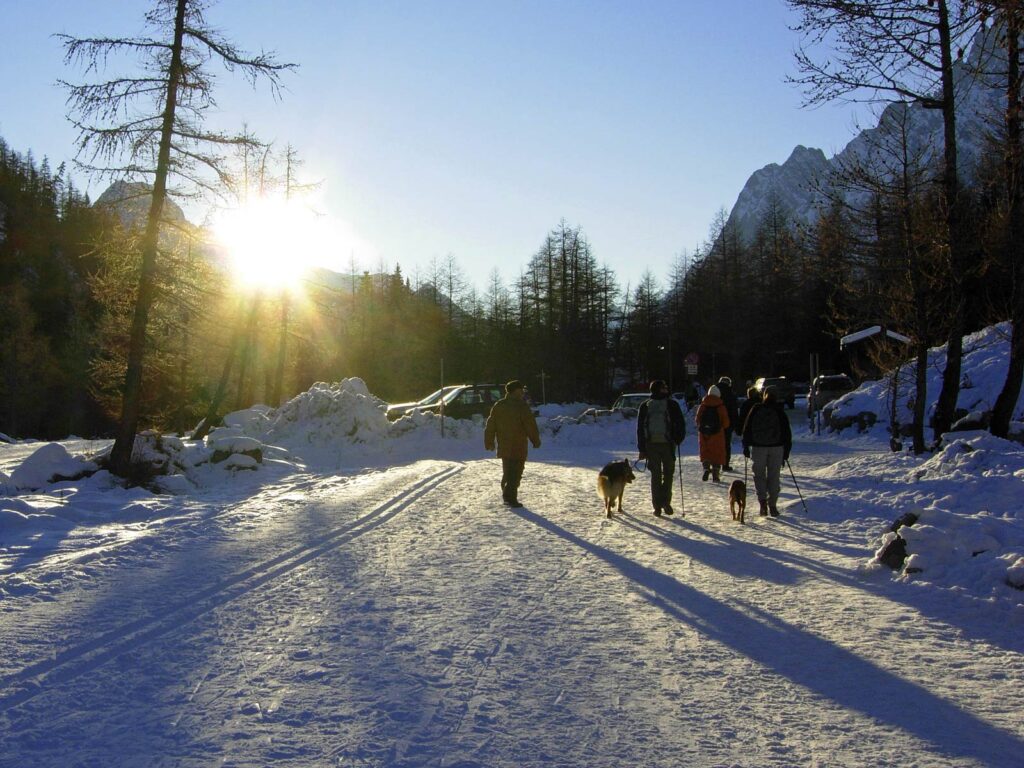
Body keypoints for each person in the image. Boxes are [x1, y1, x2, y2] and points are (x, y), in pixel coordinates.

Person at [484, 379, 541, 507]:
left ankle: (507, 491)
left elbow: (490, 425)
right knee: (516, 472)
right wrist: (535, 440)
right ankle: (510, 498)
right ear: (515, 391)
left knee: (508, 470)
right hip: (518, 445)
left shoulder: (499, 405)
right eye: (520, 390)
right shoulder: (521, 406)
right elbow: (530, 425)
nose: (522, 392)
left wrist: (489, 442)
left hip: (504, 446)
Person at [637, 379, 687, 517]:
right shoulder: (672, 404)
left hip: (650, 444)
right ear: (661, 389)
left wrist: (641, 448)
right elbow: (680, 424)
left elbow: (640, 429)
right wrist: (678, 439)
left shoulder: (645, 406)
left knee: (655, 475)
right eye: (664, 387)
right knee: (668, 474)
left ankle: (657, 506)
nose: (666, 389)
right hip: (668, 444)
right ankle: (666, 501)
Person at [741, 386, 793, 517]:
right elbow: (787, 433)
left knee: (759, 475)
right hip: (777, 447)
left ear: (764, 395)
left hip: (758, 447)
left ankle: (762, 502)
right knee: (774, 476)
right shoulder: (779, 411)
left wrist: (746, 447)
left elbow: (746, 429)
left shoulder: (756, 408)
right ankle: (773, 505)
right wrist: (786, 452)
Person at [695, 384, 730, 483]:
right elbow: (726, 423)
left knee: (705, 452)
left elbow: (697, 419)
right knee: (717, 453)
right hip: (717, 433)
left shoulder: (703, 405)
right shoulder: (720, 406)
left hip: (704, 433)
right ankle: (715, 475)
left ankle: (706, 468)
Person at [716, 376, 740, 471]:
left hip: (715, 423)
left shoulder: (714, 392)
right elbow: (734, 411)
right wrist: (736, 425)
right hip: (727, 424)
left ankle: (715, 465)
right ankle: (725, 464)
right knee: (726, 444)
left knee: (715, 444)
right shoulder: (731, 394)